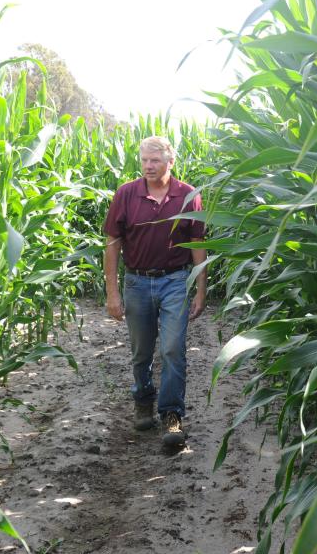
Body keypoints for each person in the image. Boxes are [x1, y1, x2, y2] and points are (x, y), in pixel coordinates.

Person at [102, 136, 206, 447]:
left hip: (176, 281)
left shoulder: (188, 196)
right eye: (145, 160)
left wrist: (201, 289)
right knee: (141, 352)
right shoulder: (126, 194)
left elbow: (199, 246)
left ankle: (172, 415)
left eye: (155, 161)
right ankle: (143, 401)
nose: (148, 166)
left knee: (173, 349)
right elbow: (113, 244)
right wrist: (112, 292)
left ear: (170, 162)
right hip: (136, 282)